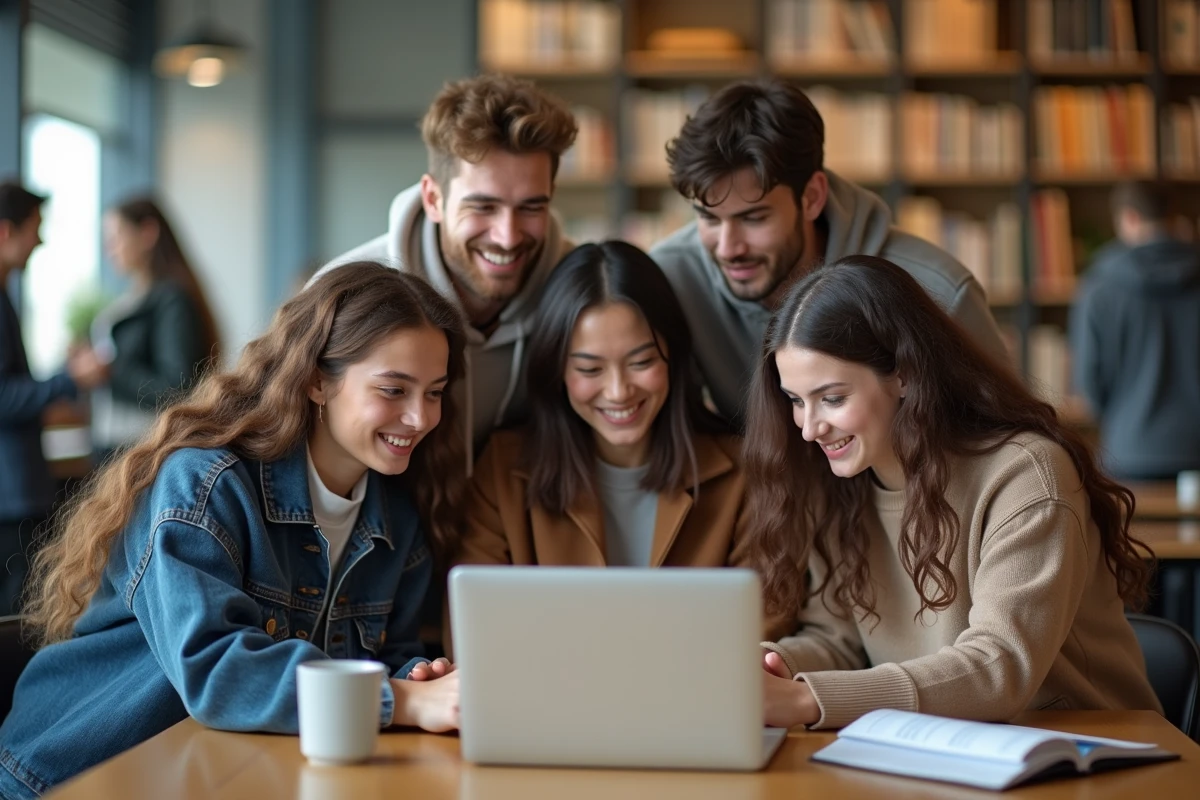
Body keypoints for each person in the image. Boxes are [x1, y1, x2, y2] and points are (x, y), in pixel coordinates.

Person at [0, 262, 464, 799]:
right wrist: (402, 700)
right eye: (393, 389)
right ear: (317, 380)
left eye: (434, 392)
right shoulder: (205, 487)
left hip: (220, 774)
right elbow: (218, 670)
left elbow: (383, 657)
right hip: (69, 778)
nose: (420, 418)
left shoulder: (394, 520)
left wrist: (416, 677)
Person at [742, 255, 1160, 731]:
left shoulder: (1025, 474)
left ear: (904, 374)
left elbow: (999, 666)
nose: (809, 429)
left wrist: (806, 702)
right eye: (796, 401)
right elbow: (842, 642)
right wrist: (771, 666)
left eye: (832, 398)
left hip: (1085, 747)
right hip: (944, 747)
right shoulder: (838, 481)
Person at [449, 241, 780, 653]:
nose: (619, 391)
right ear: (557, 369)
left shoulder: (744, 474)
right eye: (590, 368)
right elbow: (474, 642)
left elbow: (767, 636)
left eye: (641, 362)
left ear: (674, 358)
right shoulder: (503, 469)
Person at [650, 79, 1009, 425]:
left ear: (811, 197)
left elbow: (1009, 440)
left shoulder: (940, 292)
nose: (728, 247)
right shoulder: (669, 279)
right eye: (708, 218)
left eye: (754, 218)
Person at [313, 73, 579, 462]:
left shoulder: (577, 291)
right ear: (433, 198)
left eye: (531, 207)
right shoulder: (346, 297)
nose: (507, 236)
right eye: (483, 207)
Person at [0, 182, 103, 616]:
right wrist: (69, 379)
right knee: (17, 611)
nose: (39, 241)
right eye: (33, 229)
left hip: (17, 488)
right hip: (11, 492)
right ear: (7, 232)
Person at [69, 196, 221, 460]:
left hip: (142, 448)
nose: (110, 249)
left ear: (148, 233)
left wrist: (109, 371)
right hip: (114, 443)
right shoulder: (130, 300)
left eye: (116, 236)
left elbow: (176, 388)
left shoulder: (172, 301)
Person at [1070, 180, 1200, 481]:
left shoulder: (1099, 287)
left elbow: (1089, 381)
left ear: (1129, 218)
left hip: (1131, 452)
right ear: (1173, 216)